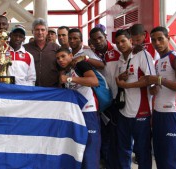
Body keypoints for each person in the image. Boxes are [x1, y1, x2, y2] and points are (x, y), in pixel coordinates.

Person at [142, 26, 176, 169]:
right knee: (160, 156)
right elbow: (157, 88)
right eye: (153, 40)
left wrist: (159, 80)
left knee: (171, 158)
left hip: (172, 113)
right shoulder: (157, 62)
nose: (157, 43)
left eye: (160, 39)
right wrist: (153, 87)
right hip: (158, 114)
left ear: (168, 39)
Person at [115, 29, 155, 169]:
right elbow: (118, 82)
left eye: (123, 41)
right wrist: (120, 79)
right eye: (117, 42)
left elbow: (150, 79)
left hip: (141, 112)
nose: (120, 45)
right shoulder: (120, 60)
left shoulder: (142, 54)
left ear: (130, 40)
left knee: (142, 150)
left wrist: (126, 84)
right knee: (123, 149)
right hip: (124, 111)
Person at [55, 48, 99, 169]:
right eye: (58, 58)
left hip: (88, 110)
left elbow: (94, 81)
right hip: (74, 112)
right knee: (76, 145)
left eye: (63, 56)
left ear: (70, 55)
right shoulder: (64, 71)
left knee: (90, 146)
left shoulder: (80, 64)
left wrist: (70, 79)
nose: (60, 60)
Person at [89, 26, 121, 169]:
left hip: (118, 97)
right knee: (105, 131)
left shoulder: (117, 50)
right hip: (103, 99)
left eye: (100, 37)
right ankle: (106, 161)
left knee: (118, 133)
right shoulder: (92, 54)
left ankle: (115, 162)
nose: (98, 41)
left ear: (105, 36)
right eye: (94, 39)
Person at [24, 18, 60, 87]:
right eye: (37, 30)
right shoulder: (25, 48)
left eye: (42, 30)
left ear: (46, 32)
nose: (40, 32)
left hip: (52, 89)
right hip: (31, 88)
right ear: (32, 31)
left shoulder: (55, 48)